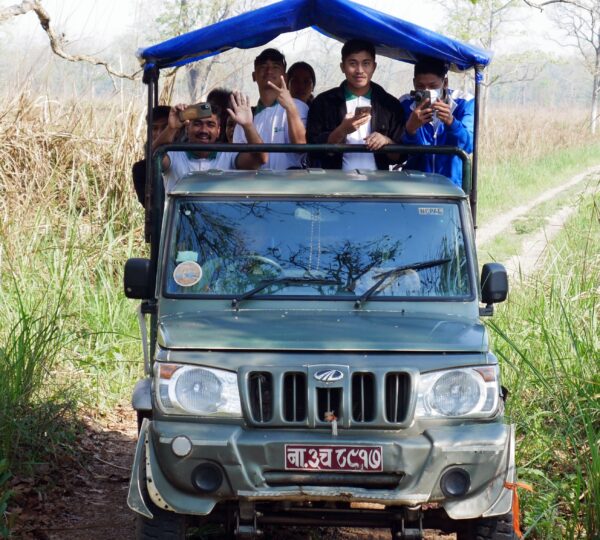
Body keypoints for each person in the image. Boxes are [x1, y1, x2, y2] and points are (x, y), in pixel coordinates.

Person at [306, 39, 404, 171]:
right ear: (342, 67)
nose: (359, 70)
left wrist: (386, 141)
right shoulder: (323, 102)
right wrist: (341, 131)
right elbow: (312, 150)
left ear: (374, 67)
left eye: (366, 63)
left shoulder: (389, 104)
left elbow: (401, 156)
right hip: (335, 185)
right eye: (353, 63)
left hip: (378, 185)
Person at [154, 92, 267, 192]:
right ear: (187, 129)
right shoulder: (174, 155)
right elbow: (152, 158)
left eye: (210, 125)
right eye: (197, 124)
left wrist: (248, 125)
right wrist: (171, 127)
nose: (203, 130)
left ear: (218, 131)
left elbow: (260, 158)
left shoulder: (229, 156)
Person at [399, 57, 474, 187]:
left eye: (433, 86)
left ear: (445, 83)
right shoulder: (405, 104)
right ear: (414, 83)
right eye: (420, 86)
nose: (427, 91)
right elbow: (406, 152)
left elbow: (467, 145)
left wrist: (452, 122)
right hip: (415, 185)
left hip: (452, 185)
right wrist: (411, 130)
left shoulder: (464, 102)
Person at [232, 48, 308, 169]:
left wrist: (290, 108)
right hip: (255, 186)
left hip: (291, 184)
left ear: (285, 76)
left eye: (276, 67)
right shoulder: (244, 117)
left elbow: (301, 146)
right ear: (253, 76)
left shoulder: (299, 106)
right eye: (263, 67)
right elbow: (240, 164)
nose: (269, 71)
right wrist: (248, 127)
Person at [131, 105, 171, 206]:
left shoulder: (187, 158)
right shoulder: (140, 169)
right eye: (154, 128)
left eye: (165, 128)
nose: (159, 133)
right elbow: (150, 205)